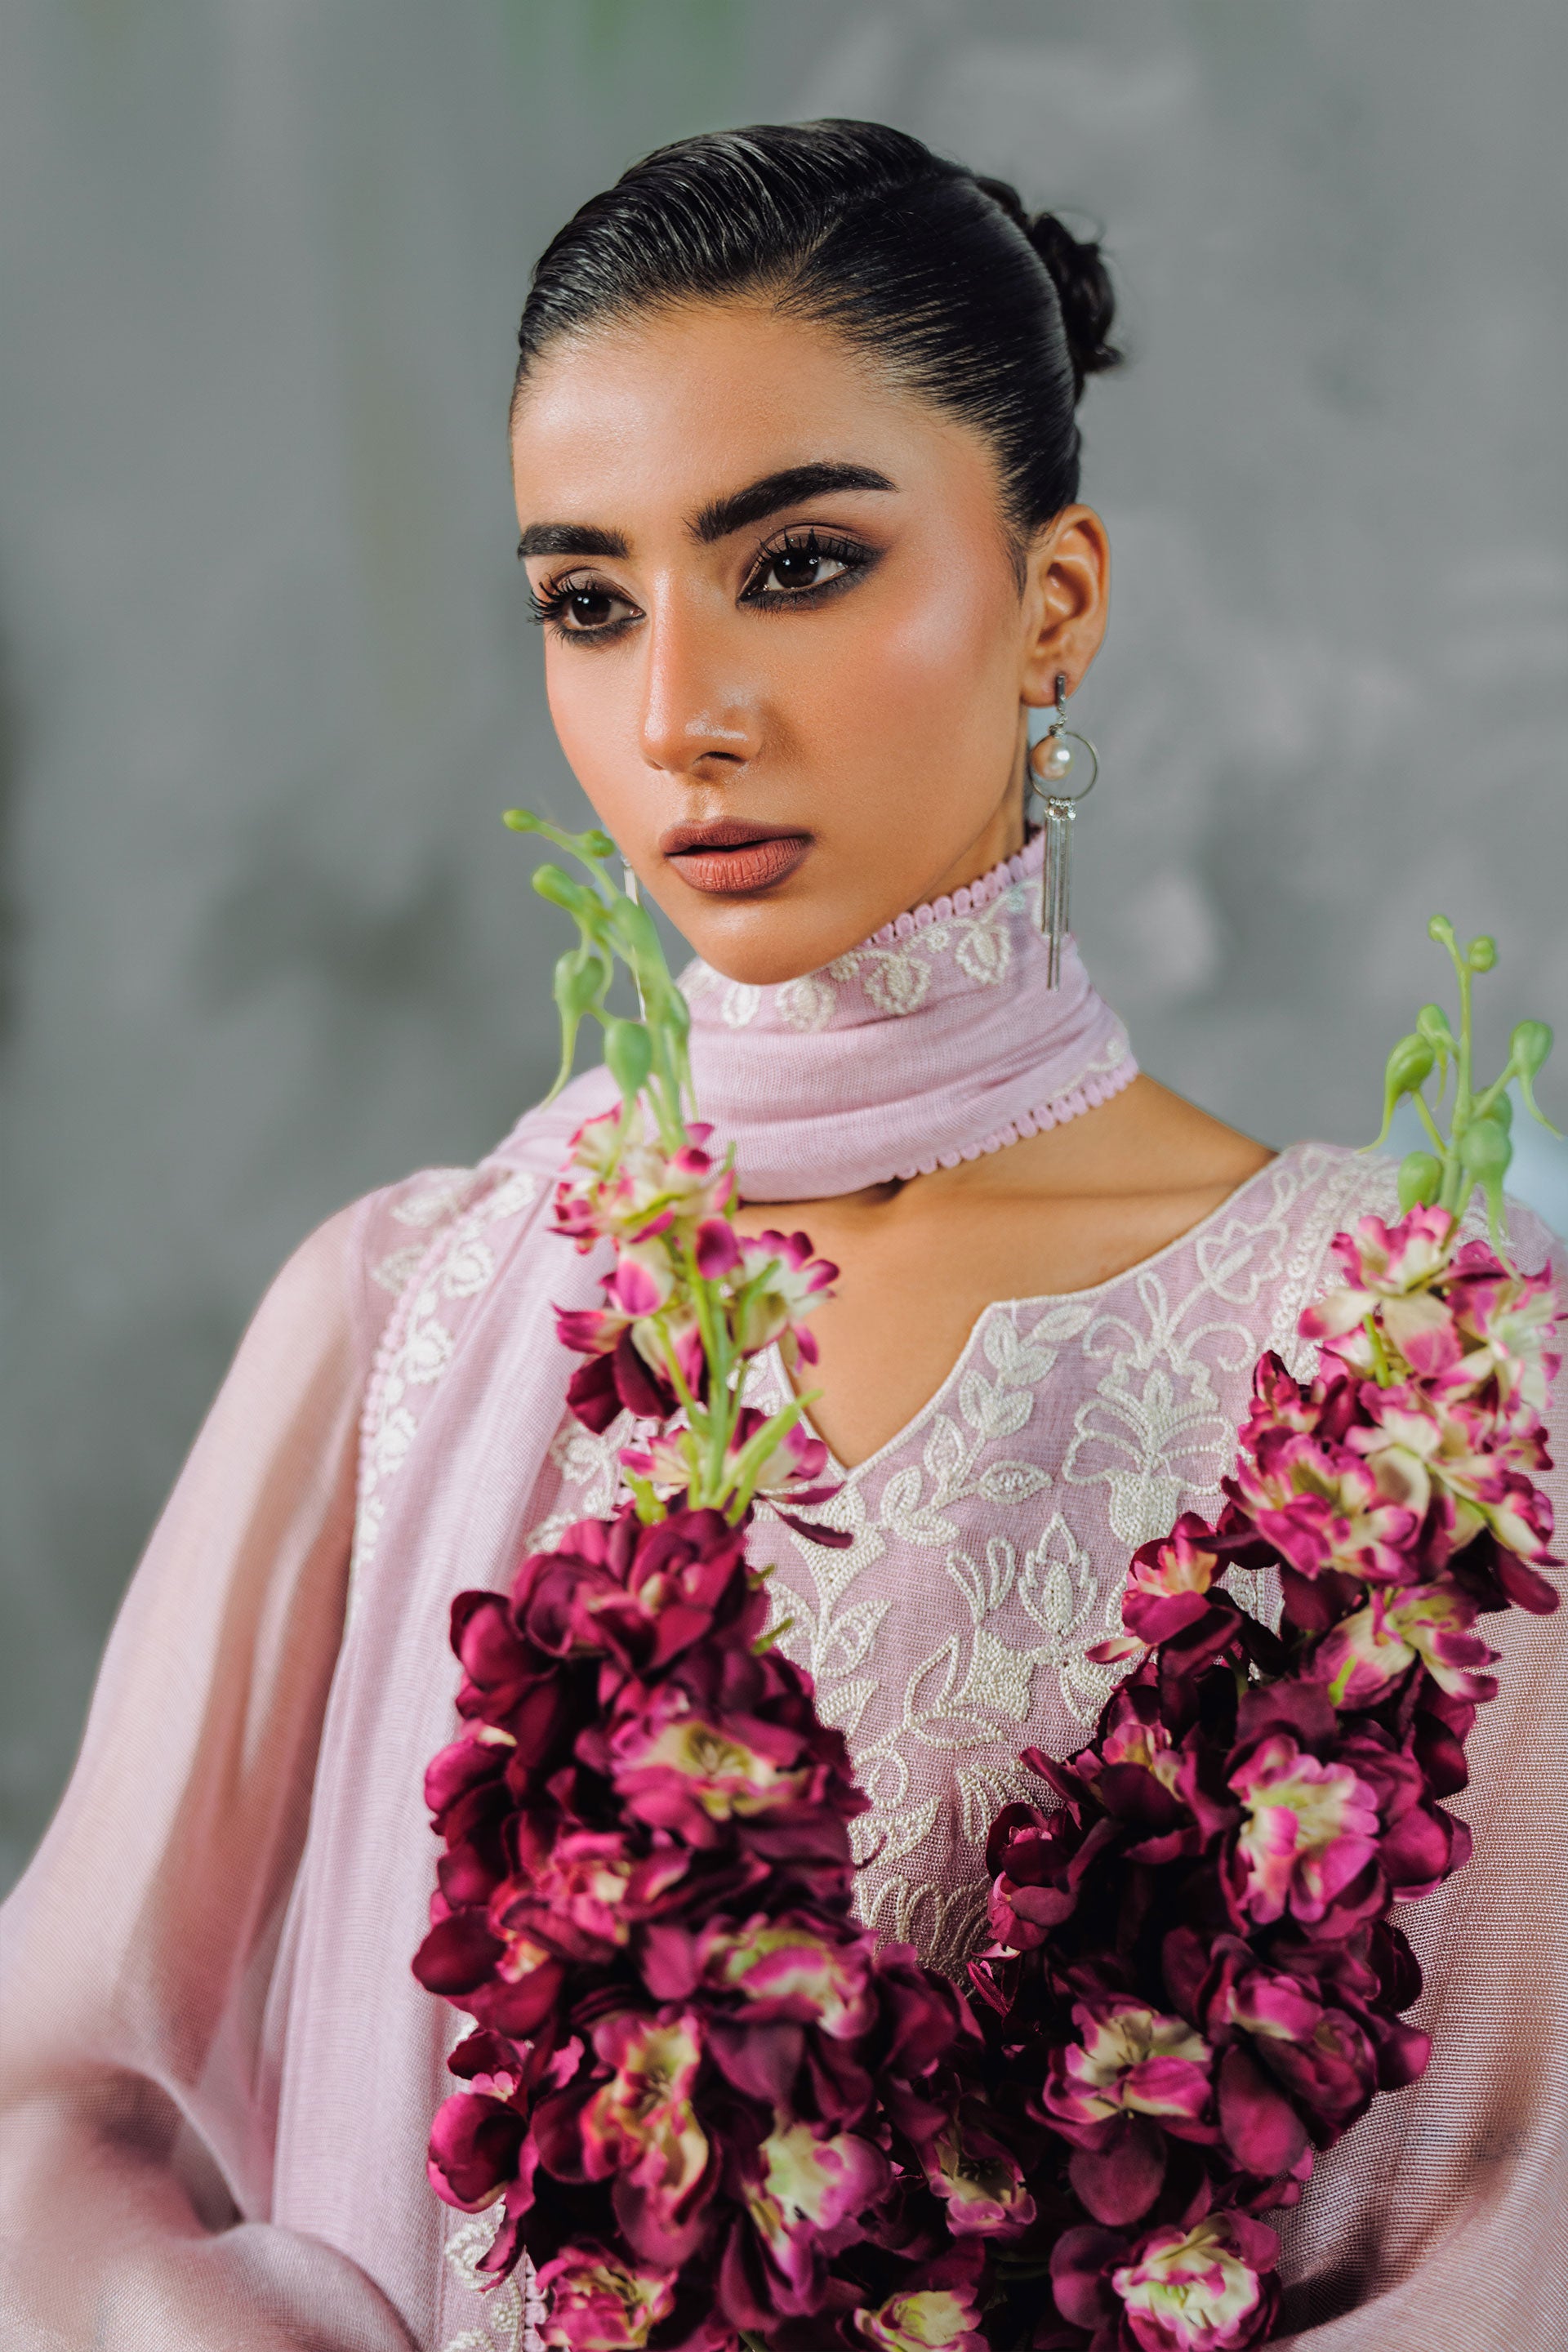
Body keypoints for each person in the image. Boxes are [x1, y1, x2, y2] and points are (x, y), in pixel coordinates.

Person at [1, 121, 1561, 2352]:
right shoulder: (409, 1314)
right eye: (590, 603)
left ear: (1056, 600)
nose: (679, 716)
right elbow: (51, 2110)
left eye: (800, 564)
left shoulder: (1419, 1366)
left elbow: (1519, 2231)